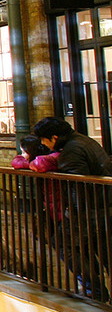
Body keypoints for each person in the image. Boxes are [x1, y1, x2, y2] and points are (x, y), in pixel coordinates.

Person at [33, 116, 111, 300]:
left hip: (90, 212)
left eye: (44, 140)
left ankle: (94, 288)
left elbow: (78, 187)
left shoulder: (71, 151)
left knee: (62, 243)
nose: (43, 144)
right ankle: (95, 287)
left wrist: (71, 213)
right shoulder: (85, 141)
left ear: (54, 137)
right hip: (102, 208)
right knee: (103, 248)